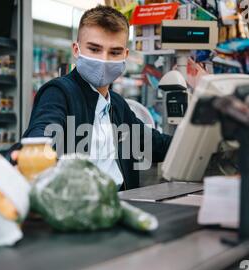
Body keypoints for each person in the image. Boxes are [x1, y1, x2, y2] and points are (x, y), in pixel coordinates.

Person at [10, 5, 172, 190]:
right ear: (76, 50)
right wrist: (33, 153)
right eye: (95, 49)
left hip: (121, 203)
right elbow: (42, 133)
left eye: (114, 52)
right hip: (79, 207)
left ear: (125, 55)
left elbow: (156, 145)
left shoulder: (118, 105)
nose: (104, 59)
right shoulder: (59, 92)